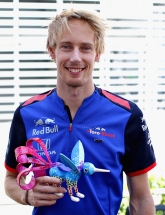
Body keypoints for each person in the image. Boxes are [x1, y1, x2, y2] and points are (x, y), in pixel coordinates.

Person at [4, 7, 156, 215]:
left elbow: (141, 198)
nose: (76, 58)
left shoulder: (127, 116)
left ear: (98, 53)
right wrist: (26, 195)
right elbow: (11, 178)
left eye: (85, 48)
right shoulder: (27, 113)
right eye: (66, 46)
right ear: (52, 50)